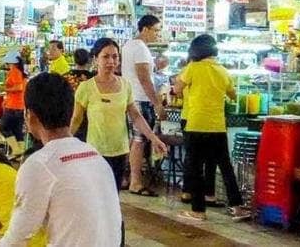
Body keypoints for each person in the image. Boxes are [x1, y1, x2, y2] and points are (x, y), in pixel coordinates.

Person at [0, 73, 122, 246]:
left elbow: (16, 238)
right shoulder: (96, 157)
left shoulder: (39, 165)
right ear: (71, 113)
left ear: (30, 116)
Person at [72, 37, 168, 193]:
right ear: (96, 59)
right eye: (105, 56)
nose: (111, 61)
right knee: (95, 195)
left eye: (115, 56)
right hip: (94, 152)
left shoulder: (125, 85)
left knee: (113, 195)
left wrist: (153, 138)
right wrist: (63, 144)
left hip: (120, 152)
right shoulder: (86, 88)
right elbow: (76, 119)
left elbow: (136, 116)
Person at [171, 34, 247, 222]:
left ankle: (198, 210)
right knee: (225, 166)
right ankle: (237, 207)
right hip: (218, 126)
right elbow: (233, 95)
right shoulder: (223, 71)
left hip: (196, 124)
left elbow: (177, 89)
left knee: (196, 167)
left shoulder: (193, 68)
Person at [121, 14, 166, 193]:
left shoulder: (130, 46)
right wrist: (157, 103)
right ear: (145, 29)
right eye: (156, 30)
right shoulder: (140, 48)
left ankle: (127, 178)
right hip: (140, 98)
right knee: (139, 141)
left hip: (134, 97)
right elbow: (144, 78)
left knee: (133, 140)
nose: (157, 34)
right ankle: (135, 182)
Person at [0, 49, 27, 158]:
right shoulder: (20, 72)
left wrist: (5, 88)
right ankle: (21, 154)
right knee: (17, 130)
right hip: (20, 106)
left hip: (13, 105)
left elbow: (19, 87)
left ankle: (16, 150)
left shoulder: (14, 71)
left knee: (4, 127)